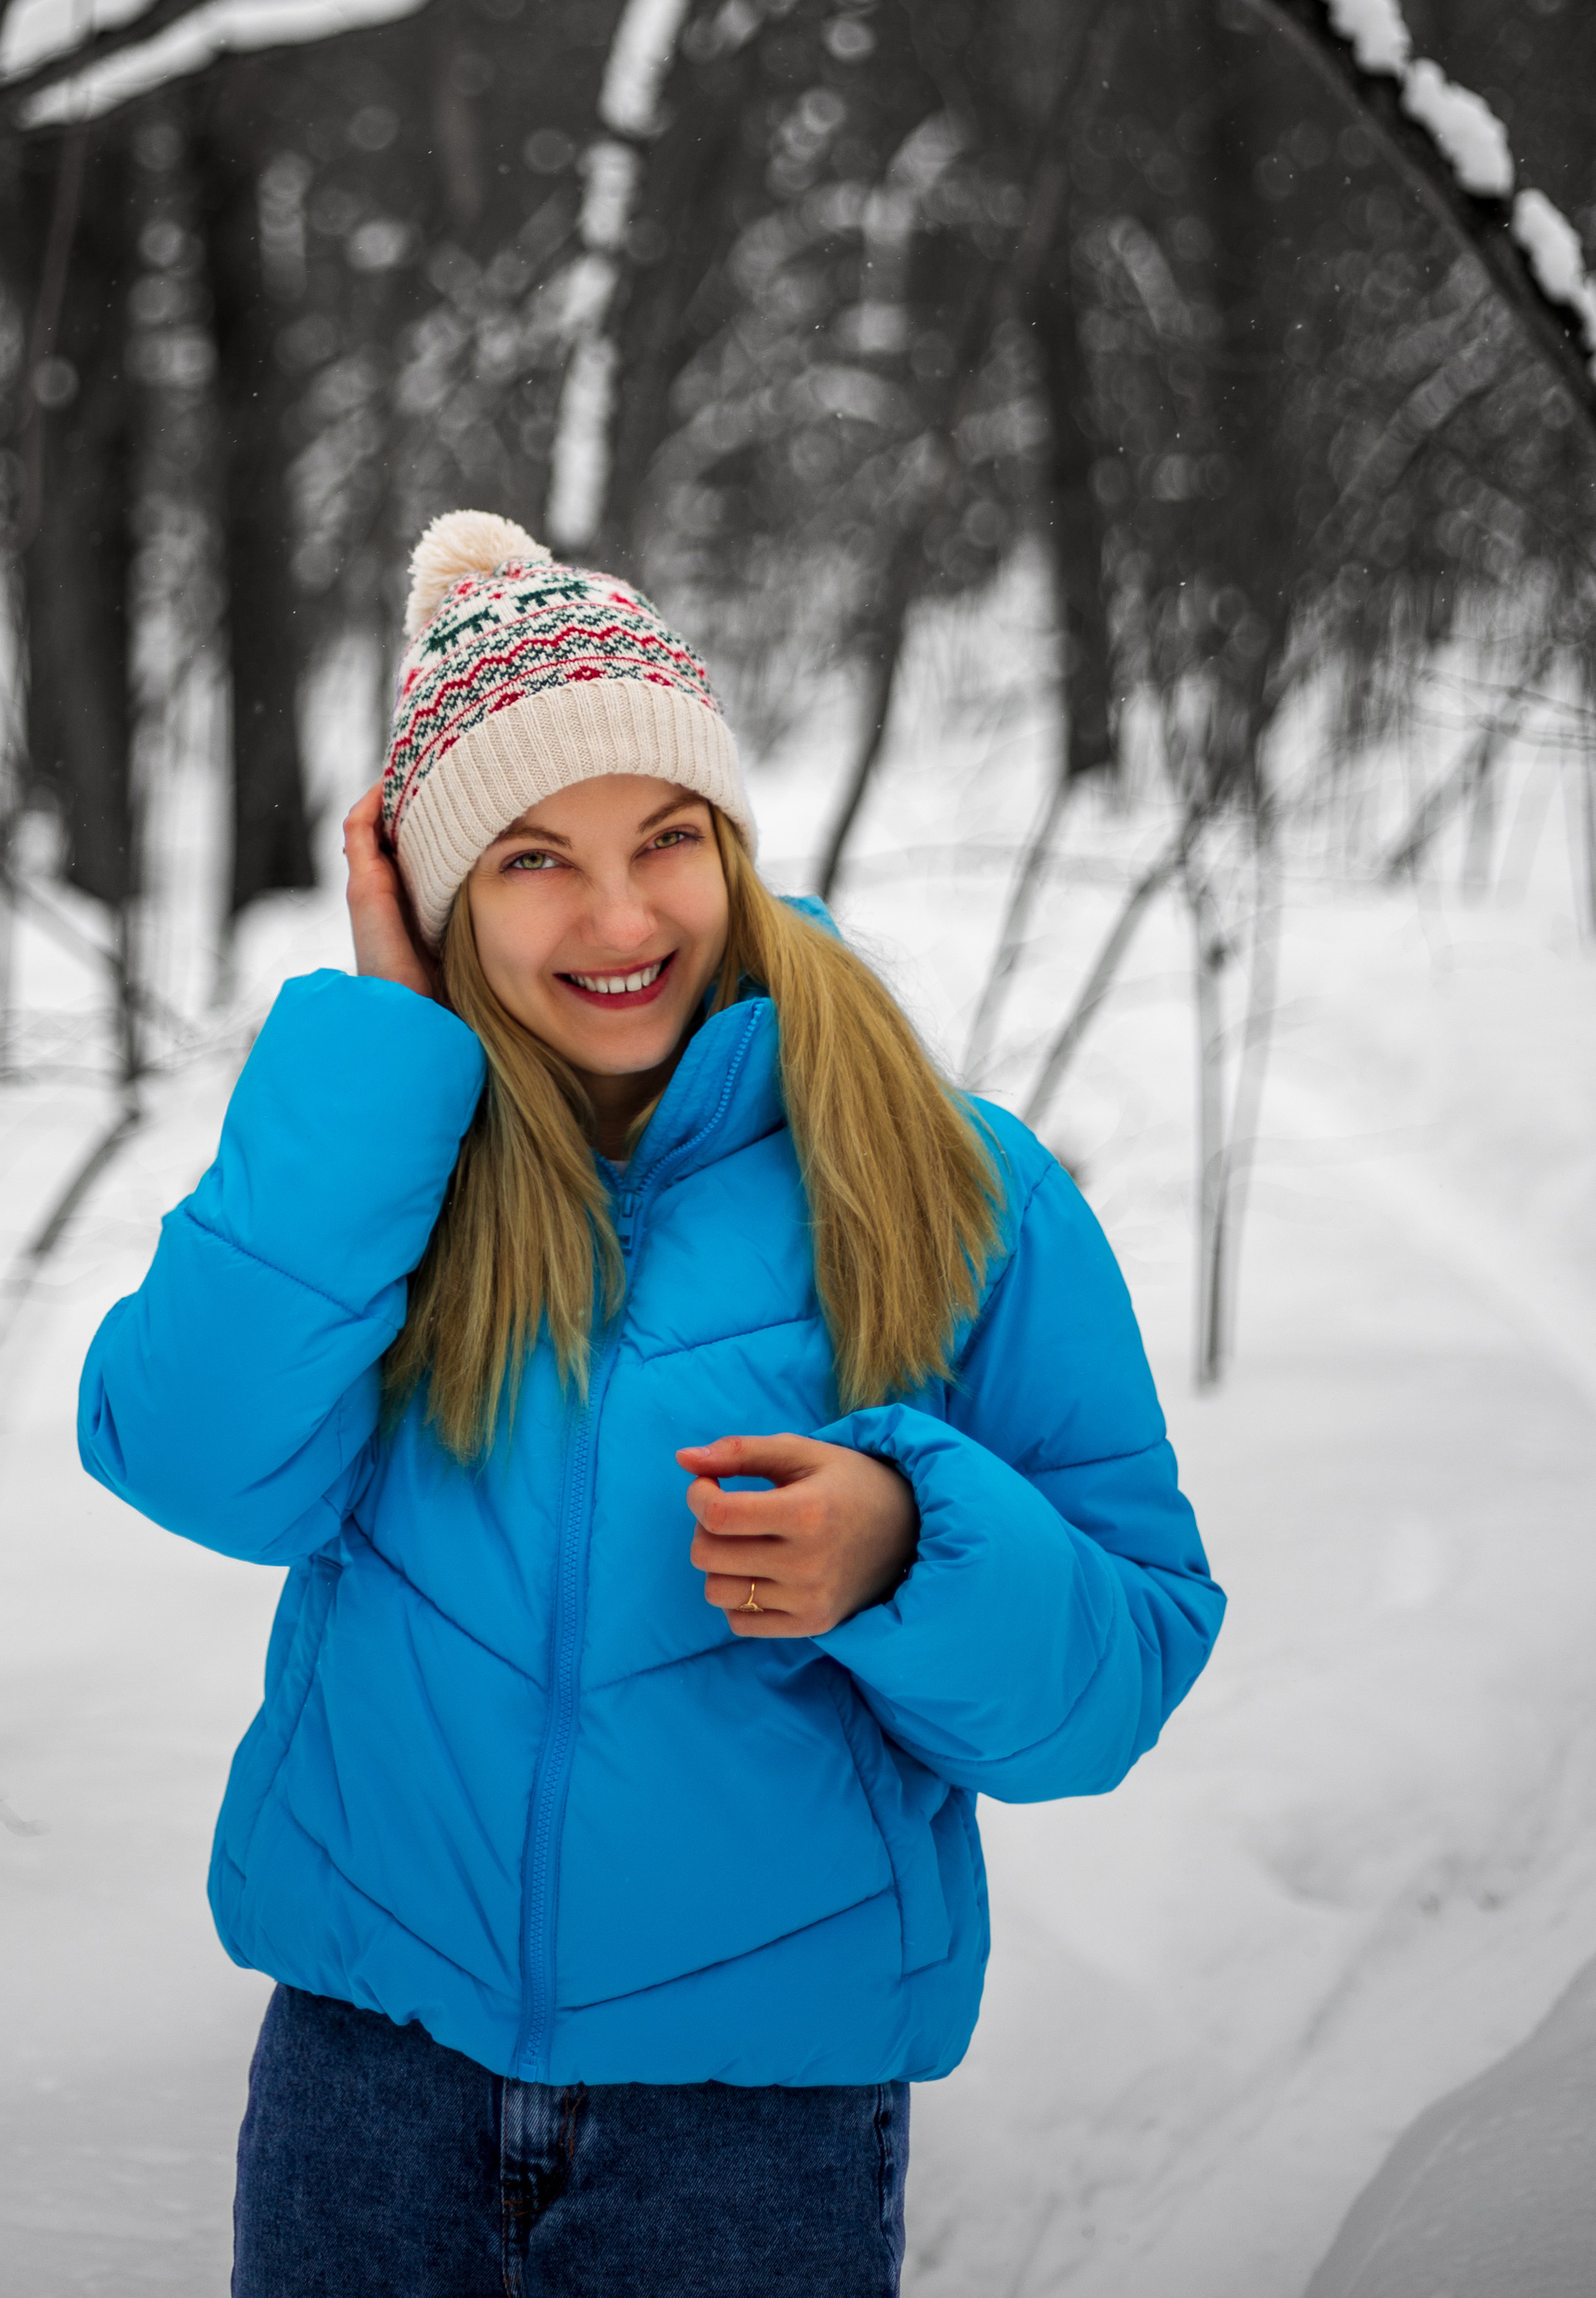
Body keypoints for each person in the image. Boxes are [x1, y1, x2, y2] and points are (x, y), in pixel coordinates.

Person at [79, 511, 1224, 2298]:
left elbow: (1115, 1675)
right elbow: (197, 1465)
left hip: (748, 2128)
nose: (618, 919)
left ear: (732, 848)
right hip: (369, 2078)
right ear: (440, 897)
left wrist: (909, 1546)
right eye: (530, 859)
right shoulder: (388, 1159)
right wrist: (382, 1046)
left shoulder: (945, 1180)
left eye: (664, 838)